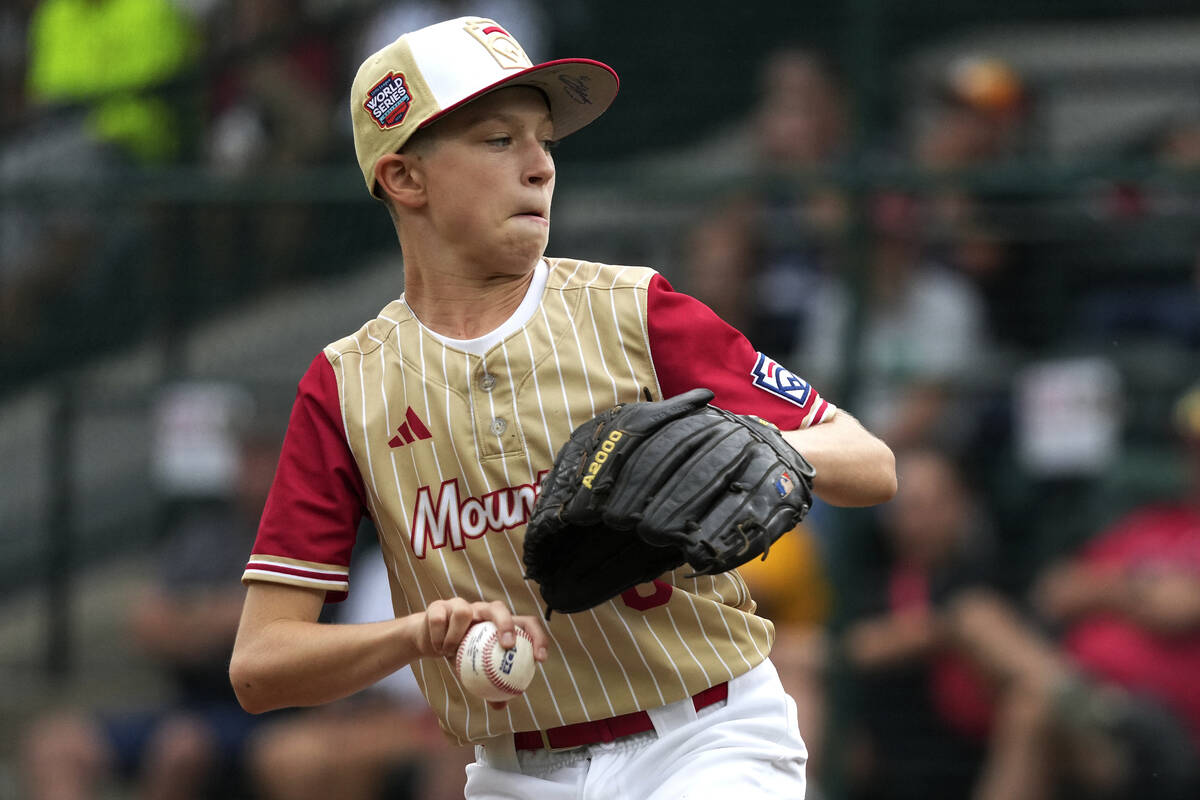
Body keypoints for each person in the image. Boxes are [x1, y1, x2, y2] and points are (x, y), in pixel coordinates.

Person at [229, 16, 896, 800]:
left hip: (706, 737)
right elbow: (261, 666)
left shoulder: (632, 310)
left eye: (543, 139)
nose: (540, 165)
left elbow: (871, 464)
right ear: (407, 179)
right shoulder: (346, 388)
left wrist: (747, 443)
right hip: (517, 772)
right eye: (498, 140)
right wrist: (416, 635)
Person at [22, 414, 280, 800]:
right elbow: (146, 624)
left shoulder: (312, 538)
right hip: (189, 702)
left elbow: (270, 629)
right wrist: (220, 618)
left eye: (266, 459)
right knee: (56, 744)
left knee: (180, 747)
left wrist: (191, 618)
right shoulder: (205, 535)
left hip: (267, 712)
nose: (252, 472)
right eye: (246, 458)